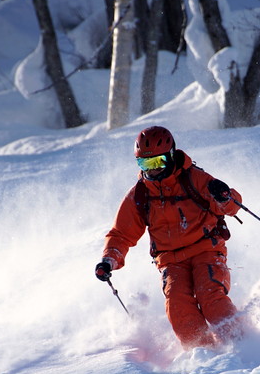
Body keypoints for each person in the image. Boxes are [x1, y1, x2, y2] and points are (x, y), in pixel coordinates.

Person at [96, 126, 243, 350]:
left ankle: (241, 341)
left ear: (172, 155)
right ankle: (202, 353)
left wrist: (224, 195)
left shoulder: (194, 178)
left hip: (206, 249)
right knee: (178, 306)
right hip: (171, 261)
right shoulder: (140, 194)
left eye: (158, 162)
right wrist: (109, 260)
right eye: (146, 164)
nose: (152, 171)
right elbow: (121, 233)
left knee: (210, 296)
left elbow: (231, 207)